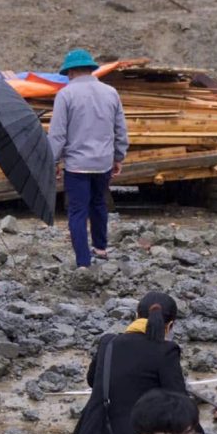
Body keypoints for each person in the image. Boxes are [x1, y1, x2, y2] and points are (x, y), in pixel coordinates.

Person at [64, 291, 217, 434]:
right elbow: (182, 407)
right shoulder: (165, 351)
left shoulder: (108, 343)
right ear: (170, 325)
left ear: (136, 315)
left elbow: (92, 380)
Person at [48, 47, 128, 268]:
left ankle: (83, 261)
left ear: (70, 71)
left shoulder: (65, 95)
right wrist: (118, 156)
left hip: (77, 166)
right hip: (103, 163)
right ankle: (100, 249)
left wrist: (53, 161)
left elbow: (57, 134)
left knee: (77, 211)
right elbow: (120, 129)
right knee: (99, 204)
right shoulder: (111, 92)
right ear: (91, 69)